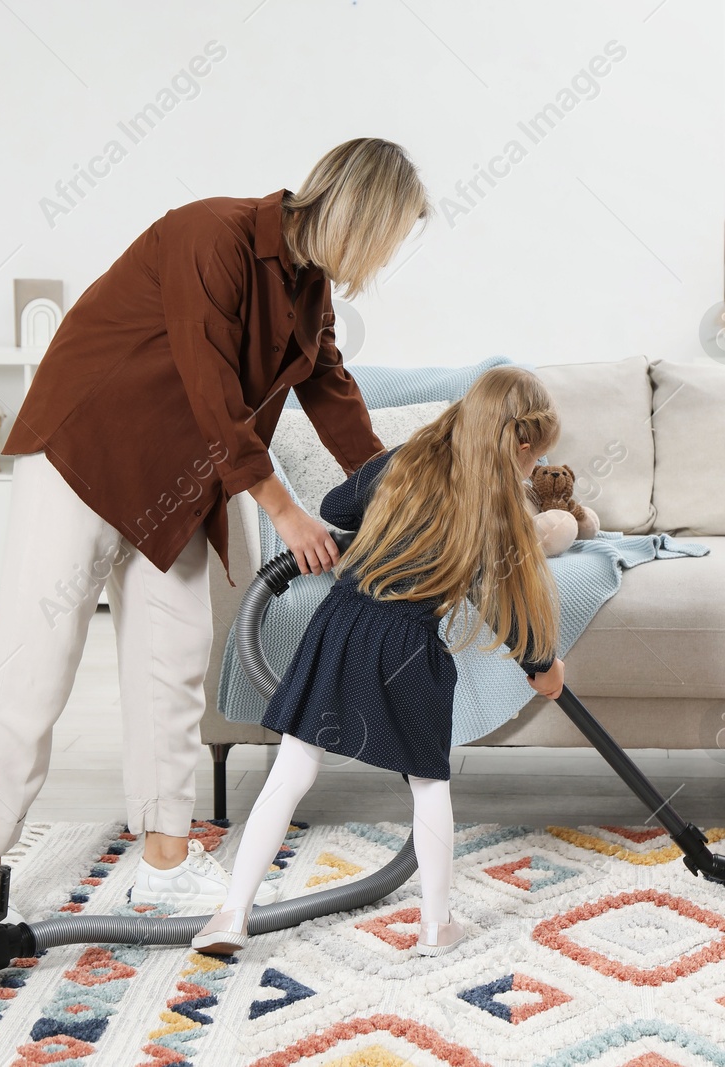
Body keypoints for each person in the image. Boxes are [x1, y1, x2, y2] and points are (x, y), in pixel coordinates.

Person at [0, 139, 429, 913]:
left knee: (170, 667)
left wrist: (396, 505)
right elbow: (210, 383)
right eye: (390, 237)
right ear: (363, 214)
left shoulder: (313, 296)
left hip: (177, 485)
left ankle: (166, 864)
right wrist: (284, 509)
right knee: (34, 665)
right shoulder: (211, 235)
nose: (386, 258)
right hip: (84, 454)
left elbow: (334, 394)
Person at [191, 366, 566, 956]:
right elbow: (508, 610)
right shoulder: (499, 512)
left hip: (338, 626)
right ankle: (435, 926)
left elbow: (337, 502)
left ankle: (230, 915)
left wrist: (381, 494)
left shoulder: (403, 461)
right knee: (428, 784)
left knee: (290, 773)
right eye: (535, 457)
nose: (531, 470)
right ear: (521, 445)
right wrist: (541, 665)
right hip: (410, 646)